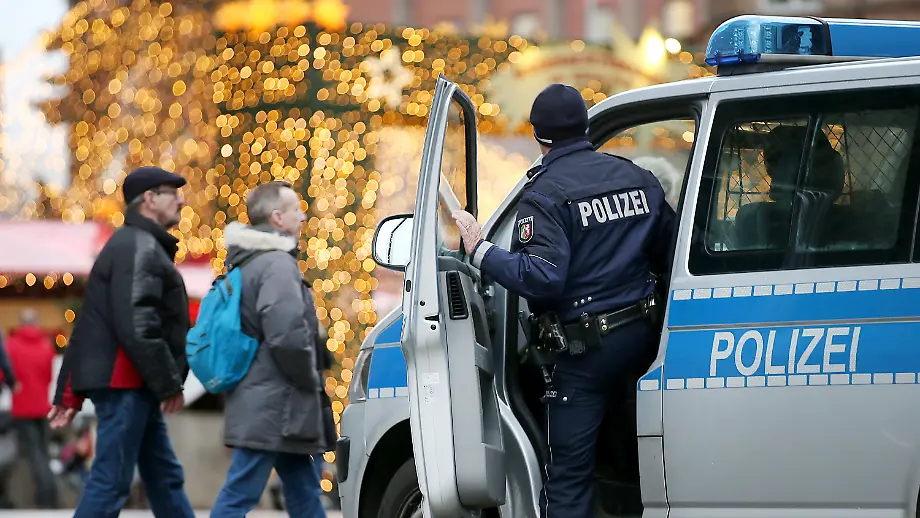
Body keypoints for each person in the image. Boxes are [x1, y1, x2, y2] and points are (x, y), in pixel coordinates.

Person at [452, 83, 676, 518]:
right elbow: (671, 252)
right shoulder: (636, 177)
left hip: (586, 355)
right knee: (643, 459)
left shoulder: (544, 195)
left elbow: (542, 279)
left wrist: (480, 250)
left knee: (568, 479)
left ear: (539, 136)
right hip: (645, 341)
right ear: (585, 125)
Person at [48, 166, 195, 518]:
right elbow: (138, 324)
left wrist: (68, 393)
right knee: (111, 481)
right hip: (127, 385)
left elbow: (90, 323)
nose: (181, 201)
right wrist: (168, 383)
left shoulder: (135, 244)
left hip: (134, 385)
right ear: (149, 199)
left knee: (164, 479)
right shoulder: (137, 246)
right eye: (172, 193)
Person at [211, 181, 326, 518]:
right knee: (241, 494)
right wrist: (309, 378)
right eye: (295, 210)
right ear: (277, 217)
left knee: (304, 492)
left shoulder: (249, 261)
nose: (302, 217)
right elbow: (286, 335)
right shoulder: (277, 264)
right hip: (277, 402)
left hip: (268, 399)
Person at [6, 308, 59, 508]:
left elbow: (6, 374)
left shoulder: (11, 345)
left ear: (21, 323)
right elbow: (49, 376)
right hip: (43, 407)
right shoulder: (46, 345)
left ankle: (45, 498)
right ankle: (49, 495)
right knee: (43, 453)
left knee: (33, 455)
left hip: (22, 408)